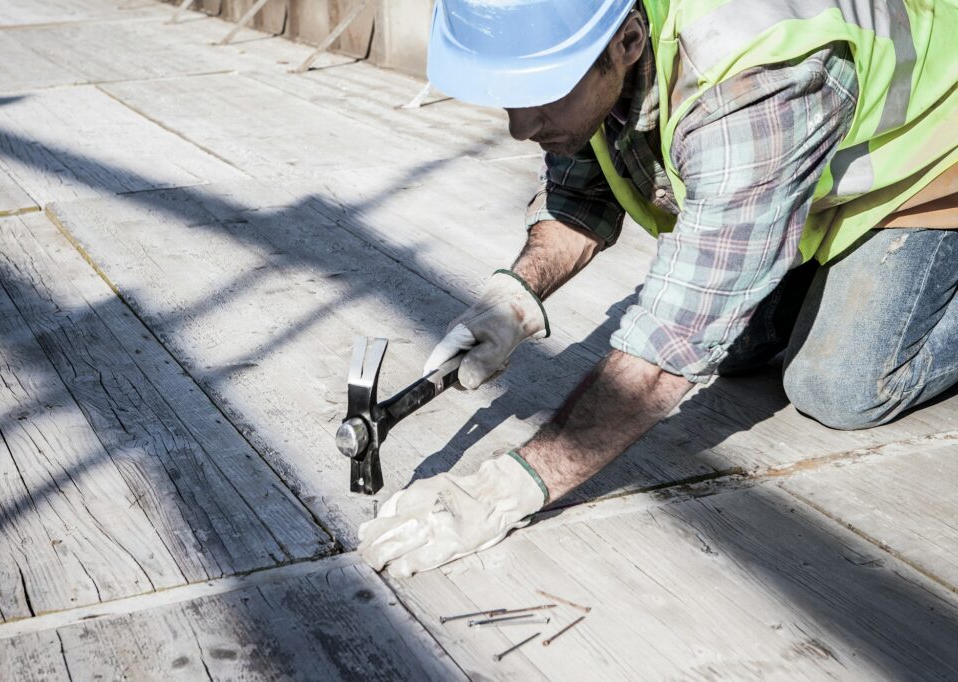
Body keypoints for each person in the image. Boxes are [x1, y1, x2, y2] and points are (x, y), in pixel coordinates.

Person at [358, 0, 958, 578]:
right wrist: (514, 298)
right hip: (802, 175)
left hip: (928, 154)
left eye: (539, 94)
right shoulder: (596, 53)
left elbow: (671, 345)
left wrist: (507, 486)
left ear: (627, 43)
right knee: (741, 349)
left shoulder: (753, 75)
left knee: (837, 386)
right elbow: (581, 200)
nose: (520, 128)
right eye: (508, 99)